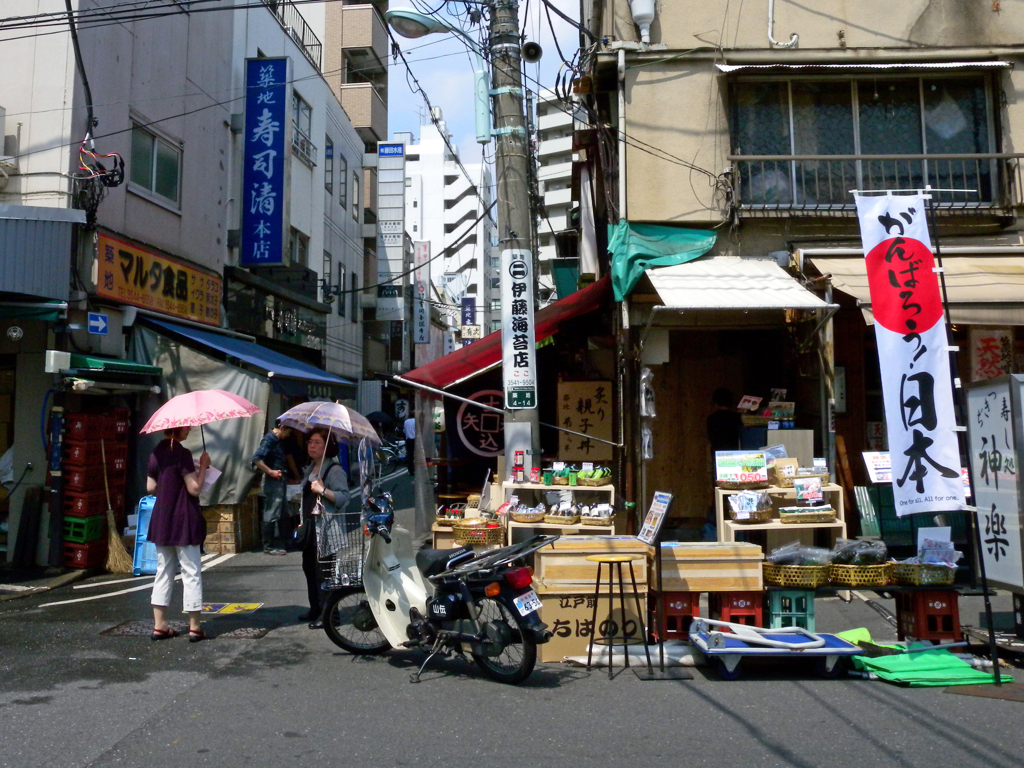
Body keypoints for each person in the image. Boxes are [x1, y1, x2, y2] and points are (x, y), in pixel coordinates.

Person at [147, 426, 210, 642]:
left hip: (162, 519)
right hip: (183, 518)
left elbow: (150, 486)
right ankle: (194, 627)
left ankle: (159, 625)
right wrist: (202, 467)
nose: (190, 429)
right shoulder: (182, 453)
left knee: (163, 570)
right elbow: (194, 489)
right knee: (191, 571)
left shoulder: (155, 452)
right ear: (179, 427)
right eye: (187, 427)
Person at [297, 427, 350, 626]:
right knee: (309, 568)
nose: (312, 445)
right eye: (310, 441)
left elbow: (344, 498)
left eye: (317, 442)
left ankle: (330, 616)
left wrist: (323, 490)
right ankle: (315, 609)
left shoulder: (334, 470)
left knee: (324, 572)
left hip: (326, 530)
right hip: (310, 527)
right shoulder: (310, 467)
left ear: (328, 446)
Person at [251, 419, 293, 555]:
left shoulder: (277, 440)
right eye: (287, 432)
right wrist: (270, 471)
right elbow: (256, 458)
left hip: (280, 480)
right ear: (281, 428)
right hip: (273, 481)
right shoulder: (269, 440)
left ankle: (287, 541)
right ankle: (268, 547)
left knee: (283, 512)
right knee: (272, 512)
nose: (288, 435)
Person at [706, 387, 742, 456]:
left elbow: (711, 438)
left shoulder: (712, 418)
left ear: (716, 404)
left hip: (718, 454)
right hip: (736, 454)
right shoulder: (737, 417)